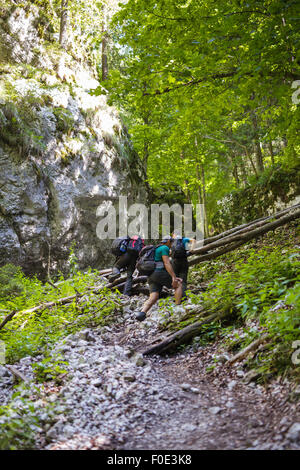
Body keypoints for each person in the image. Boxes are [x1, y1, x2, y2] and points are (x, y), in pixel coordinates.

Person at [135, 235, 183, 322]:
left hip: (151, 275)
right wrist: (174, 277)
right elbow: (167, 263)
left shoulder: (156, 248)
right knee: (178, 285)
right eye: (171, 242)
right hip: (158, 272)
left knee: (154, 296)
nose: (172, 244)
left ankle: (142, 313)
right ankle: (177, 308)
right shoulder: (164, 248)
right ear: (168, 241)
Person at [171, 233, 196, 301]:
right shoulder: (184, 239)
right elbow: (193, 240)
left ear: (174, 234)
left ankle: (176, 297)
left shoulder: (172, 241)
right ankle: (183, 297)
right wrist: (191, 250)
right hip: (184, 260)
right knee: (183, 279)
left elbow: (170, 252)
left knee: (176, 278)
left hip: (175, 262)